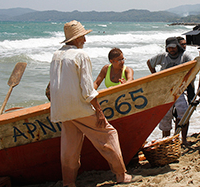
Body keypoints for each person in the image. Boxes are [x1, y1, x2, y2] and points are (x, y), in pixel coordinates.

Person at [49, 20, 135, 186]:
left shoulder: (56, 56)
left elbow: (54, 86)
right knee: (109, 135)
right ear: (76, 39)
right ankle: (121, 175)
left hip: (60, 109)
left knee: (69, 148)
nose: (85, 41)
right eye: (82, 37)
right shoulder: (81, 55)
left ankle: (68, 182)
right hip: (80, 107)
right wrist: (99, 112)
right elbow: (88, 90)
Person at [146, 37, 193, 145]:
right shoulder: (163, 56)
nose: (171, 49)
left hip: (179, 89)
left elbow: (194, 63)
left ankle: (183, 139)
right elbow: (149, 62)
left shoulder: (184, 55)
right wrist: (155, 76)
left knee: (184, 113)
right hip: (165, 91)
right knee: (165, 116)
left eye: (173, 47)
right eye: (169, 48)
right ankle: (166, 141)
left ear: (177, 46)